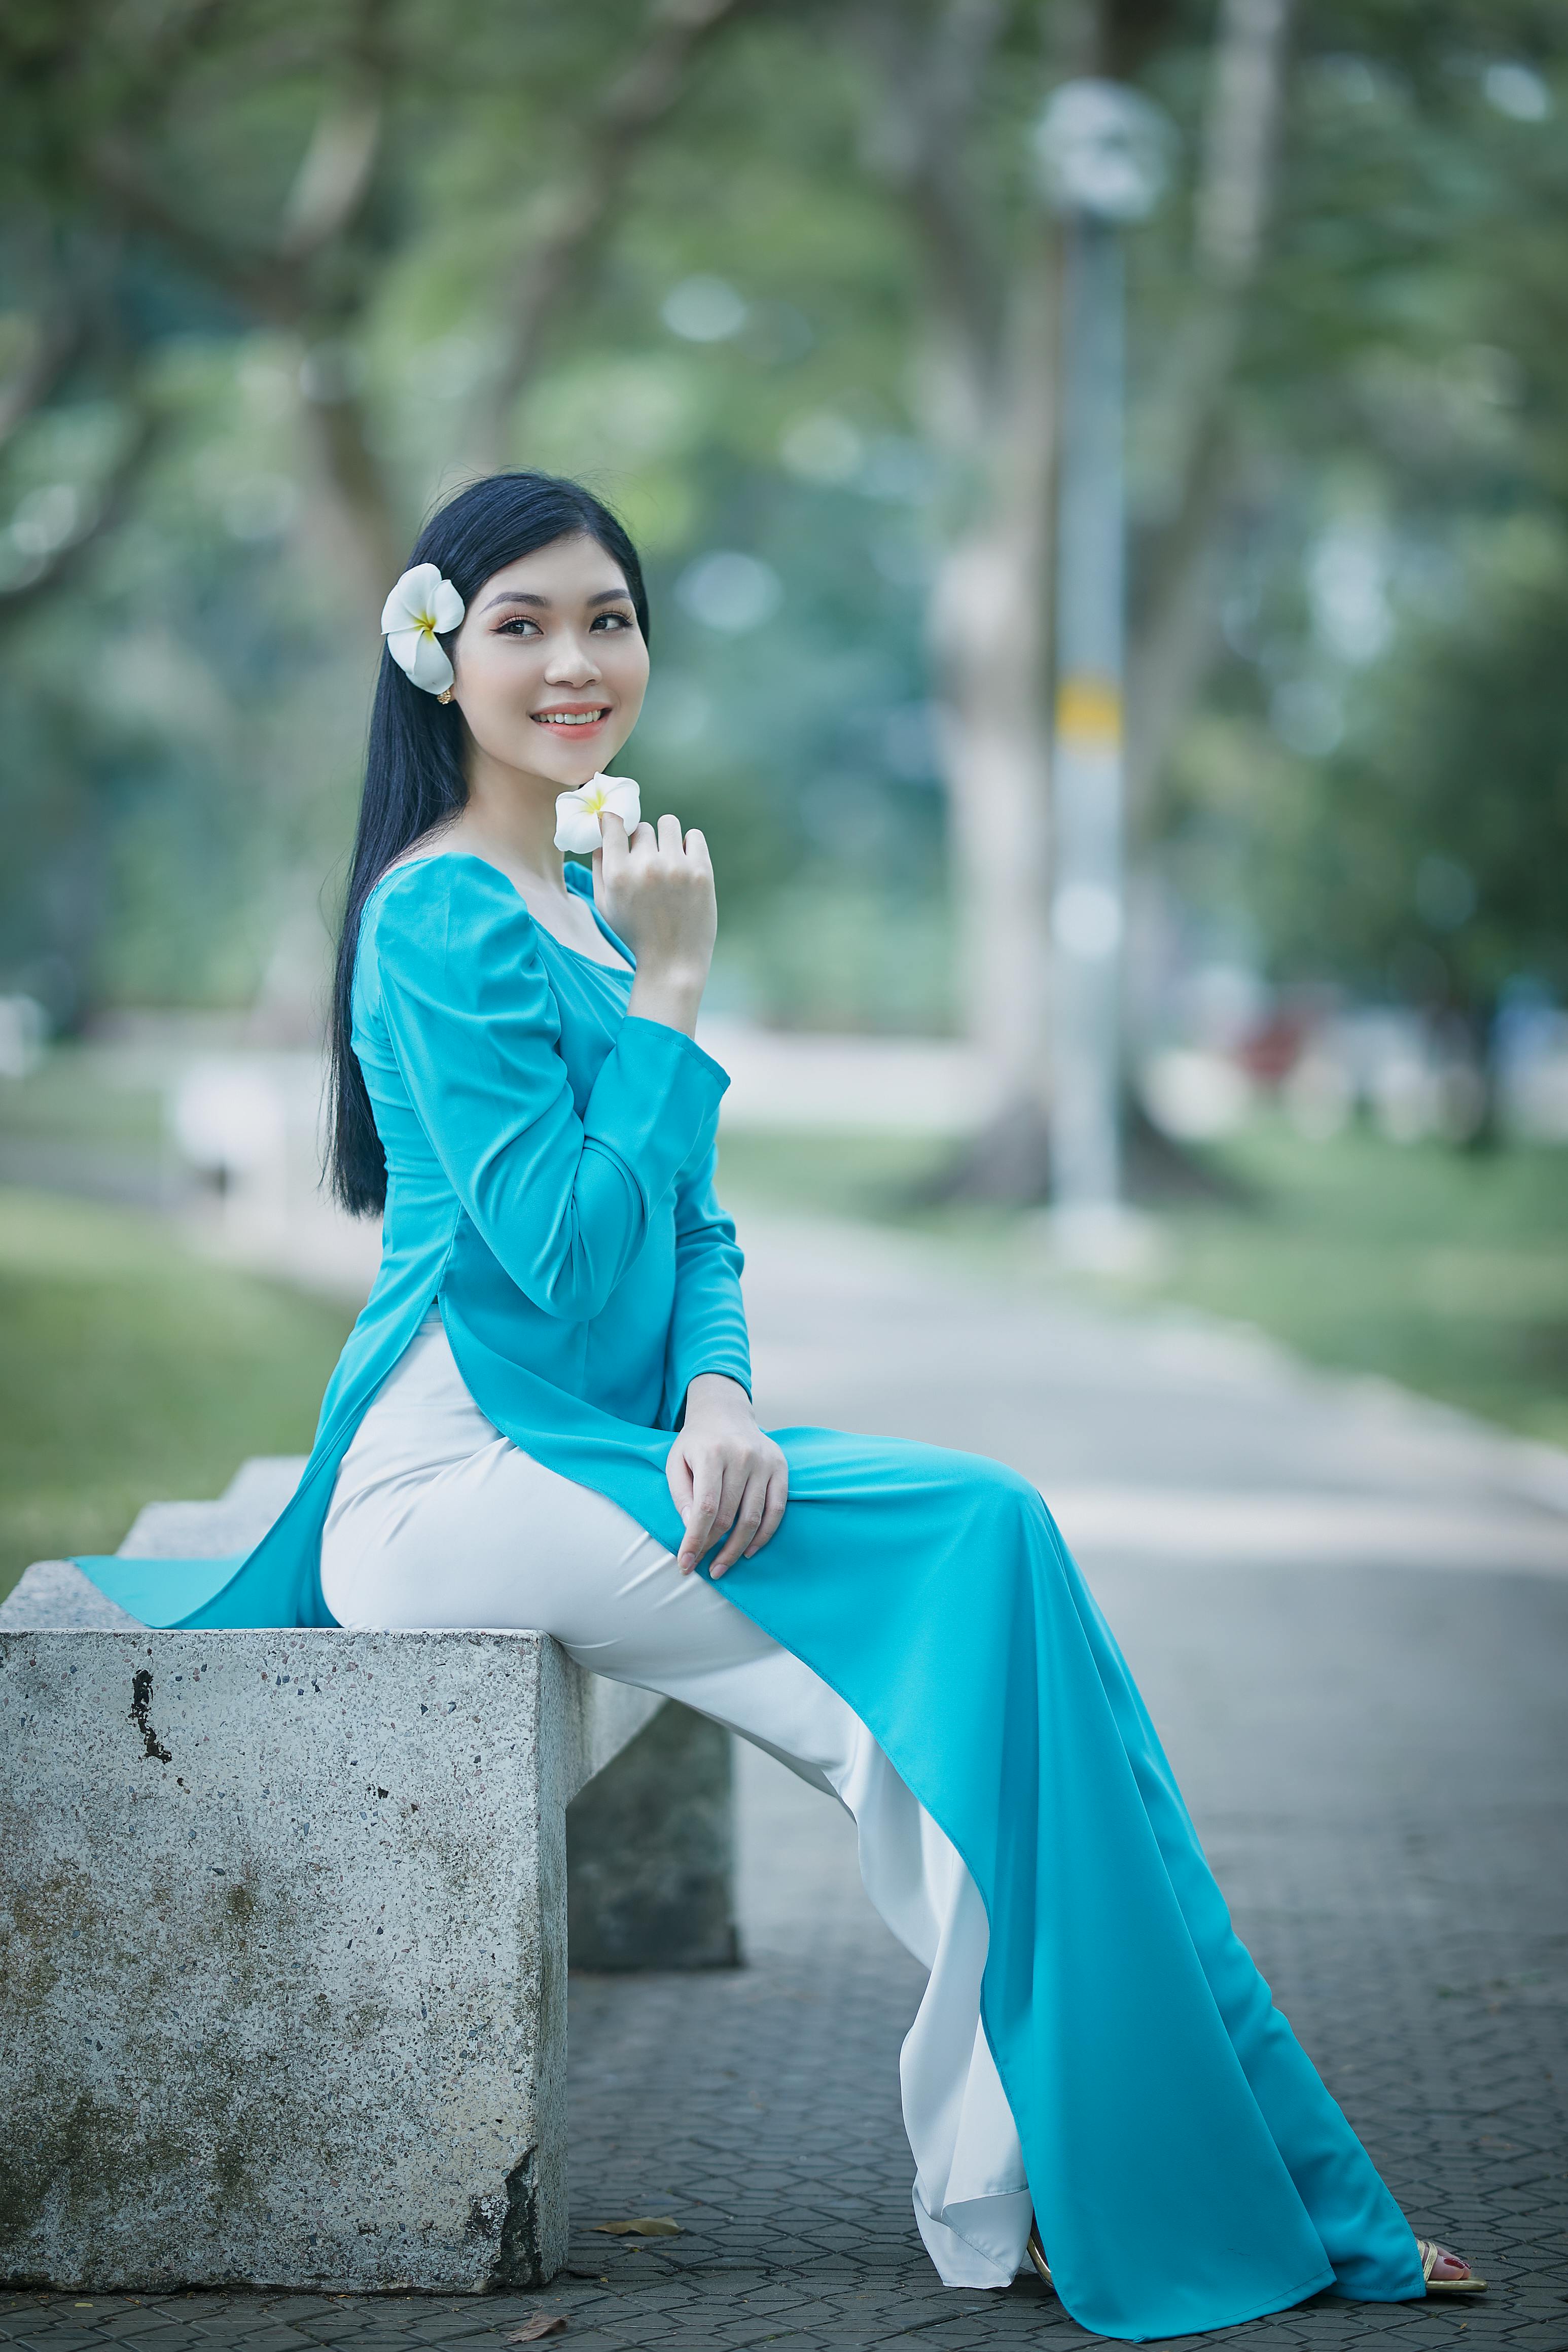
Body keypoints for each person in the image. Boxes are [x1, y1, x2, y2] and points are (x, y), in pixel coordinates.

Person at [73, 471, 1483, 2342]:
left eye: (608, 619)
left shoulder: (566, 895)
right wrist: (667, 987)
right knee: (979, 1569)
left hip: (593, 1444)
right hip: (458, 1467)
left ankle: (1123, 2180)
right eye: (521, 626)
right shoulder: (443, 924)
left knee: (997, 1690)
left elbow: (693, 1228)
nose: (576, 662)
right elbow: (565, 1263)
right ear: (437, 658)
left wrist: (723, 1389)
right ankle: (1106, 2186)